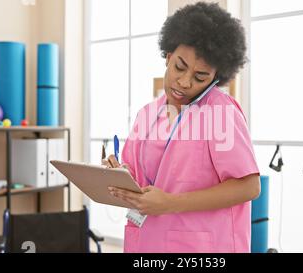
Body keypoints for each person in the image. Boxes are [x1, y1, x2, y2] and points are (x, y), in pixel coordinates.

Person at [103, 2, 260, 253]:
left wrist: (171, 203)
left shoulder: (221, 113)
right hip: (148, 243)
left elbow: (249, 186)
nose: (185, 82)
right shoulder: (147, 114)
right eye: (179, 66)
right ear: (168, 55)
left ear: (216, 77)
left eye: (200, 77)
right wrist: (119, 174)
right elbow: (139, 174)